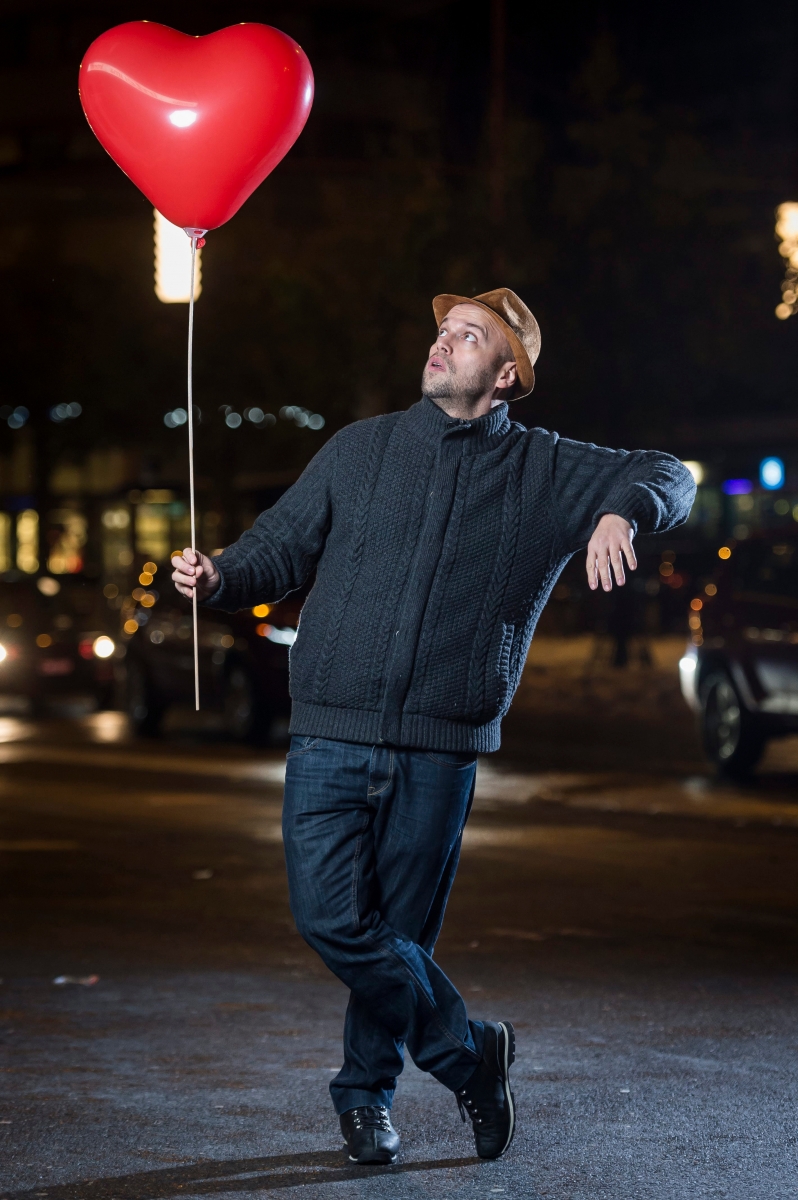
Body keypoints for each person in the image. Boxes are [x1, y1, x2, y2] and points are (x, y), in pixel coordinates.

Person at [172, 288, 695, 1165]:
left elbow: (671, 475)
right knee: (336, 921)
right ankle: (467, 1058)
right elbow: (280, 546)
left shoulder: (542, 468)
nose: (443, 343)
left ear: (506, 374)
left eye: (469, 336)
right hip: (330, 735)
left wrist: (618, 508)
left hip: (439, 747)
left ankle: (366, 1100)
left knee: (398, 938)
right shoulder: (360, 448)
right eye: (443, 330)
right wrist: (220, 574)